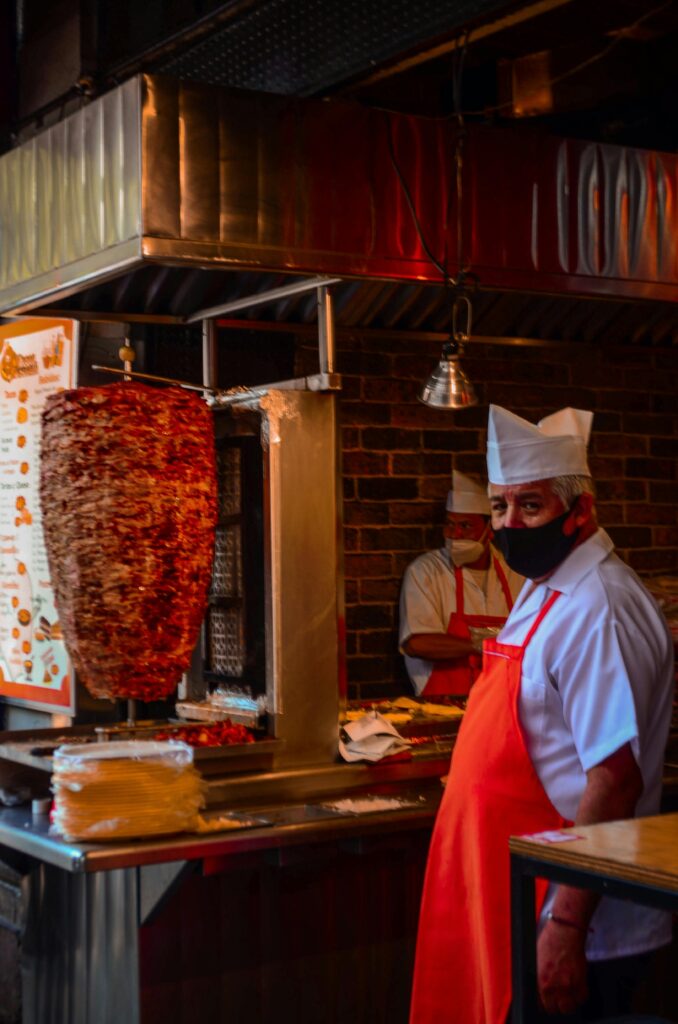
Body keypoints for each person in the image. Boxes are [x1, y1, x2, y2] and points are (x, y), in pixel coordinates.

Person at [409, 406, 675, 1024]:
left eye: (529, 507)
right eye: (500, 508)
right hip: (515, 896)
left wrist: (565, 924)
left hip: (576, 920)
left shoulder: (598, 606)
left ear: (580, 512)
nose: (508, 525)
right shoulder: (545, 585)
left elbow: (614, 778)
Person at [399, 469, 523, 696]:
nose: (454, 534)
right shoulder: (425, 571)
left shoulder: (516, 574)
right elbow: (416, 644)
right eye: (450, 524)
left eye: (465, 526)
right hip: (443, 702)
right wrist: (480, 645)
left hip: (503, 699)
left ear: (490, 530)